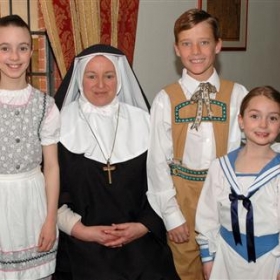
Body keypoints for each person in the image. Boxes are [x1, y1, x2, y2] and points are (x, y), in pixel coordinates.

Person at [53, 44, 180, 280]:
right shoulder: (59, 124)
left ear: (119, 79)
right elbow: (51, 192)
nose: (100, 85)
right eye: (92, 76)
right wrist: (82, 231)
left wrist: (142, 227)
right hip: (81, 245)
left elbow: (162, 182)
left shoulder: (144, 122)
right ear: (81, 79)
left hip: (139, 243)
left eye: (108, 76)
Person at [146, 8, 248, 280]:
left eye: (204, 42)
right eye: (187, 43)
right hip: (183, 199)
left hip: (228, 197)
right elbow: (157, 163)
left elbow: (252, 151)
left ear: (218, 45)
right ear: (176, 49)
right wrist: (172, 216)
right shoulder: (165, 99)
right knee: (187, 269)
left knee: (229, 267)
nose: (196, 51)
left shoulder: (238, 95)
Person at [195, 86, 280, 280]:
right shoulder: (220, 167)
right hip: (227, 256)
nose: (263, 125)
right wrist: (208, 257)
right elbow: (208, 215)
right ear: (241, 121)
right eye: (254, 116)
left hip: (270, 259)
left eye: (273, 118)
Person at [0, 15, 60, 280]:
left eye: (23, 47)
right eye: (5, 48)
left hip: (33, 206)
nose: (15, 56)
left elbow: (52, 167)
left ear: (31, 52)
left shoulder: (45, 106)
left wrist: (50, 219)